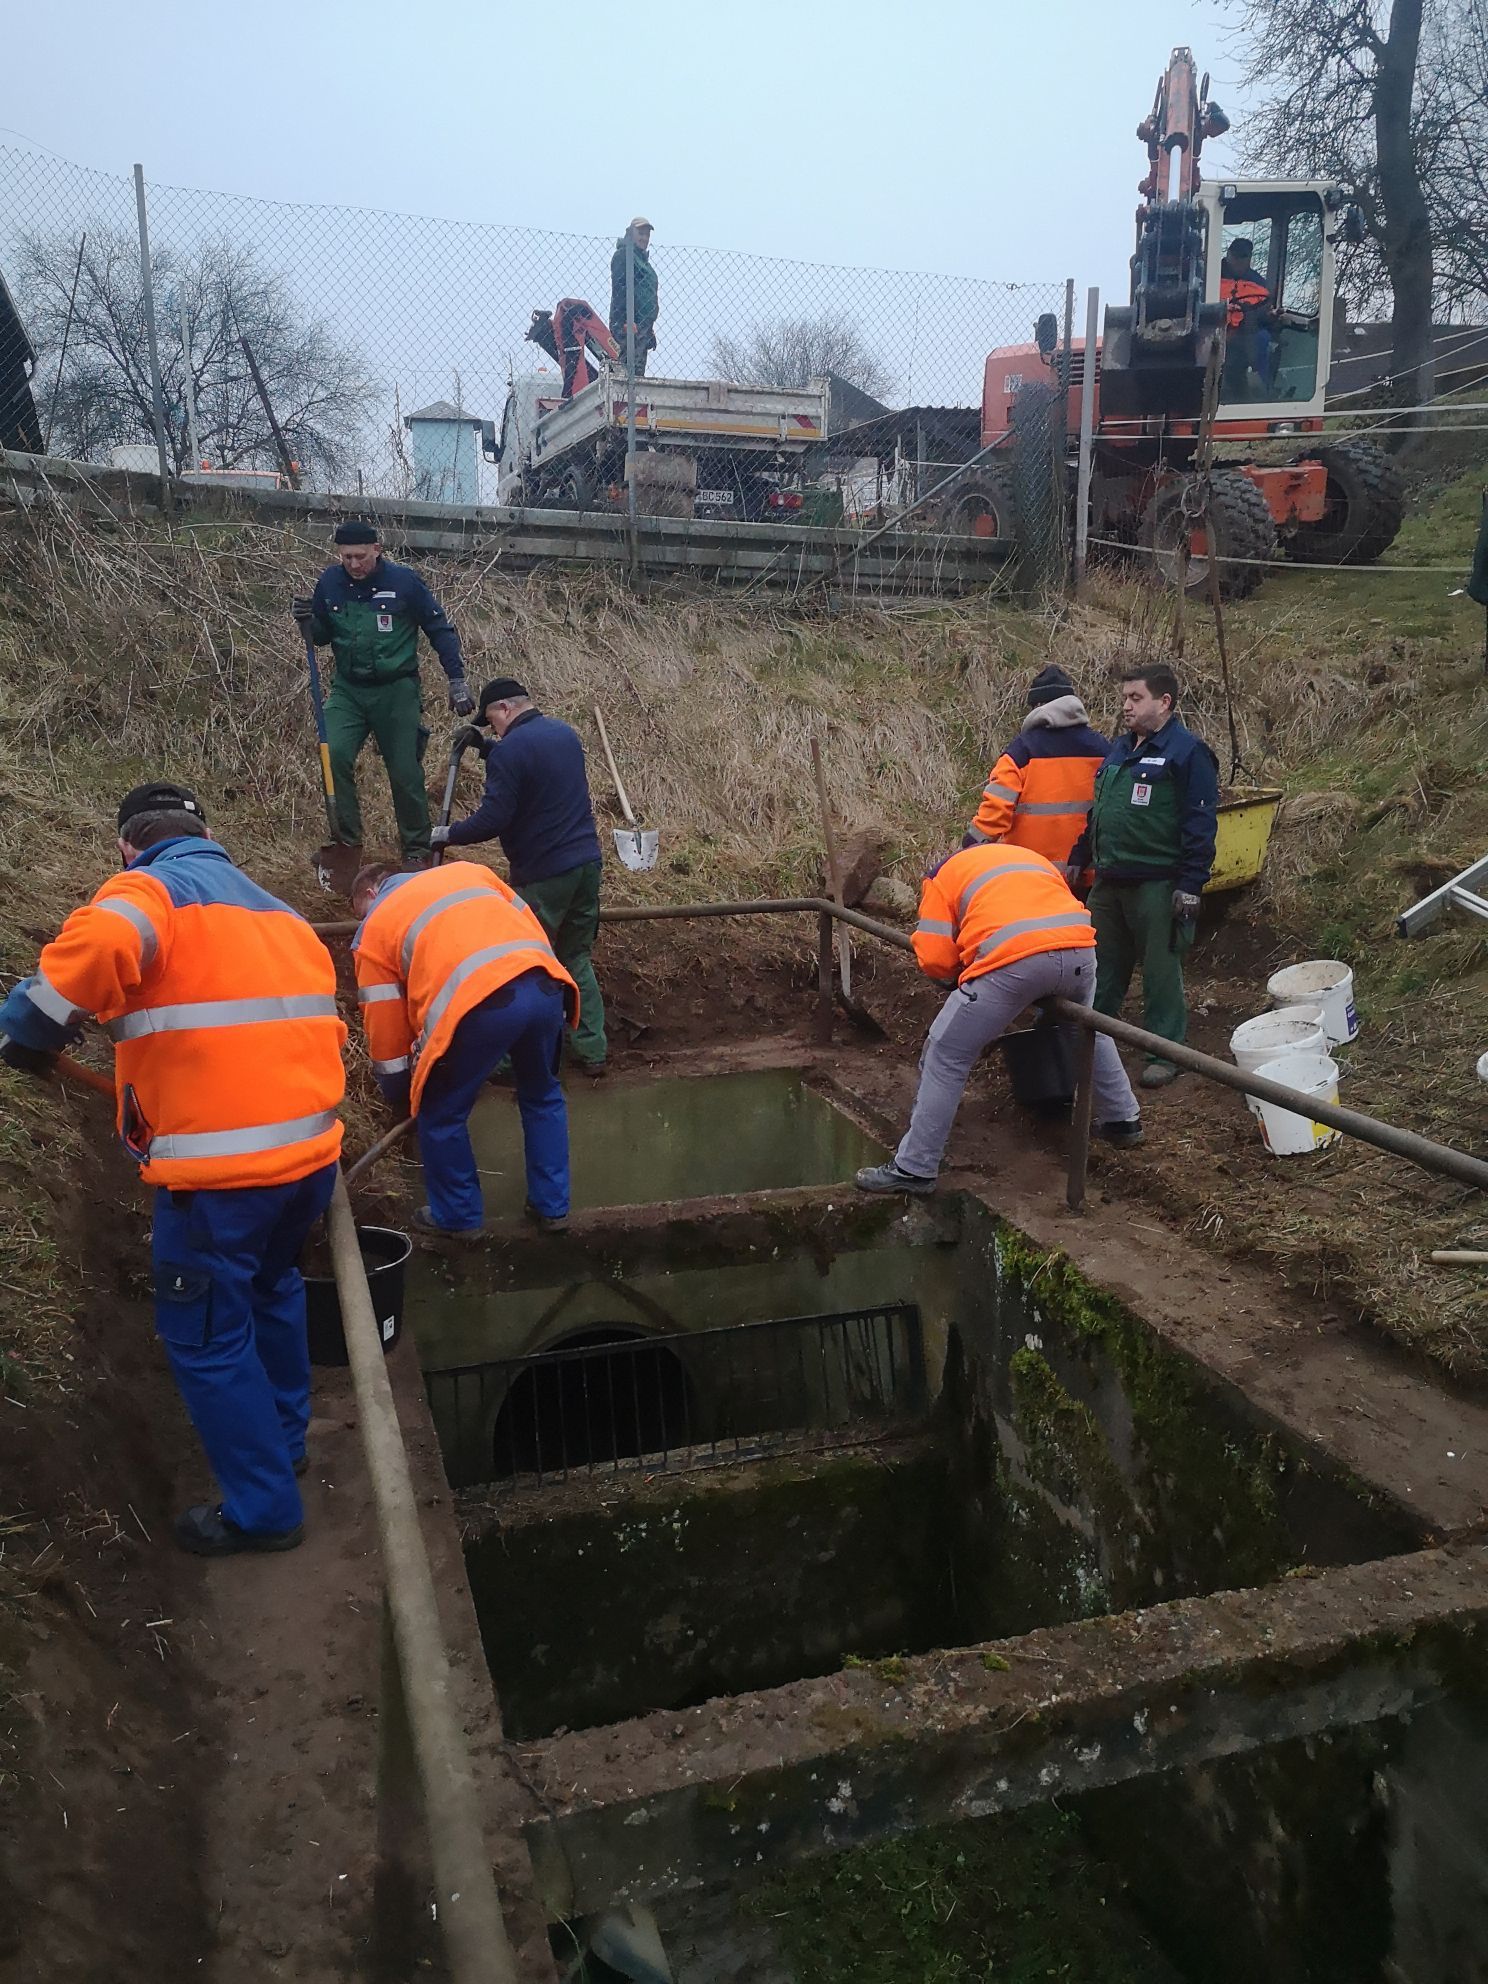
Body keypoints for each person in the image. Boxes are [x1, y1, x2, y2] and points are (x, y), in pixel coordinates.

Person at [0, 783, 346, 1556]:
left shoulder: (148, 890)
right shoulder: (280, 914)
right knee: (273, 1287)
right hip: (310, 1162)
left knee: (206, 1338)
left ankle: (264, 1510)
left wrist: (26, 1029)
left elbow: (86, 959)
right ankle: (285, 1441)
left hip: (219, 1181)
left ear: (129, 843)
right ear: (207, 832)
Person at [854, 843, 1142, 1196]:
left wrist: (967, 979)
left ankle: (914, 1167)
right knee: (1084, 1027)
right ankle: (1123, 1119)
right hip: (1080, 950)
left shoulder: (940, 879)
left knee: (947, 1053)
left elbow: (935, 959)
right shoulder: (1030, 858)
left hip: (1015, 964)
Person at [351, 859, 576, 1237]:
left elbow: (386, 1030)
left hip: (477, 1007)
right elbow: (531, 928)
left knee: (441, 1114)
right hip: (545, 984)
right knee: (542, 1095)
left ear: (372, 893)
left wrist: (403, 1094)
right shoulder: (472, 872)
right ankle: (552, 1208)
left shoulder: (374, 928)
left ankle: (458, 1216)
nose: (361, 921)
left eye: (359, 912)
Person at [433, 678, 609, 1076]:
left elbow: (494, 818)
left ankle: (518, 1060)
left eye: (491, 719)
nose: (491, 726)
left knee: (527, 964)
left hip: (544, 874)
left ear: (506, 709)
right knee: (576, 957)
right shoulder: (564, 735)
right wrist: (486, 748)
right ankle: (593, 1050)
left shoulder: (510, 751)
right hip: (585, 865)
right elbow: (534, 765)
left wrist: (447, 833)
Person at [292, 520, 476, 870]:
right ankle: (347, 842)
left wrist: (456, 679)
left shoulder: (404, 583)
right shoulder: (330, 583)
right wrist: (306, 622)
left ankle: (417, 850)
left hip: (396, 689)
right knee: (334, 754)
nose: (354, 564)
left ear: (377, 549)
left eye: (360, 556)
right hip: (348, 689)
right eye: (346, 557)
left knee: (404, 771)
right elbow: (320, 636)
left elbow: (439, 628)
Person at [1068, 664, 1219, 1090]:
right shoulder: (1120, 749)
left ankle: (1164, 1052)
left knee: (1159, 970)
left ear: (1164, 702)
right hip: (1110, 879)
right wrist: (1081, 853)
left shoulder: (1187, 753)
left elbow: (1200, 822)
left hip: (1158, 881)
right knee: (1097, 965)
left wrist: (1191, 884)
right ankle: (1088, 1041)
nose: (1126, 706)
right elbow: (1101, 809)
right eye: (1124, 699)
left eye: (1136, 698)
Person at [966, 664, 1108, 866]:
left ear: (1037, 707)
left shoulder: (1022, 751)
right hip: (1085, 873)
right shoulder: (1102, 748)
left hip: (1031, 873)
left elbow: (996, 810)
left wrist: (971, 843)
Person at [1219, 238, 1277, 397]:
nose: (1239, 262)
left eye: (1244, 258)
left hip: (1247, 330)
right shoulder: (1210, 275)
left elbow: (1264, 310)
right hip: (1217, 328)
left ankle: (1264, 392)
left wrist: (1269, 316)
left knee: (1263, 338)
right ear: (1228, 255)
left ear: (1249, 259)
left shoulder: (1257, 282)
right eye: (1236, 257)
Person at [609, 217, 658, 377]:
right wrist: (625, 321)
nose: (644, 238)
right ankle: (627, 399)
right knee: (630, 369)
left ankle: (632, 399)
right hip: (630, 322)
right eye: (641, 233)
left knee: (638, 370)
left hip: (643, 325)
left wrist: (648, 328)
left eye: (647, 235)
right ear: (630, 233)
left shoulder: (643, 261)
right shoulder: (624, 255)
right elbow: (620, 290)